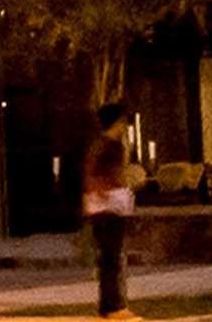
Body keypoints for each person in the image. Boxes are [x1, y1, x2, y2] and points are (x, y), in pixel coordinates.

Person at [81, 102, 137, 315]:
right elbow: (91, 173)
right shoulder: (104, 145)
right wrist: (104, 191)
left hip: (114, 205)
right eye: (122, 121)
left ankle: (109, 306)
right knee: (110, 259)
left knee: (111, 258)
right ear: (115, 122)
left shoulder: (115, 145)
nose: (124, 125)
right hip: (106, 208)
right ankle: (114, 306)